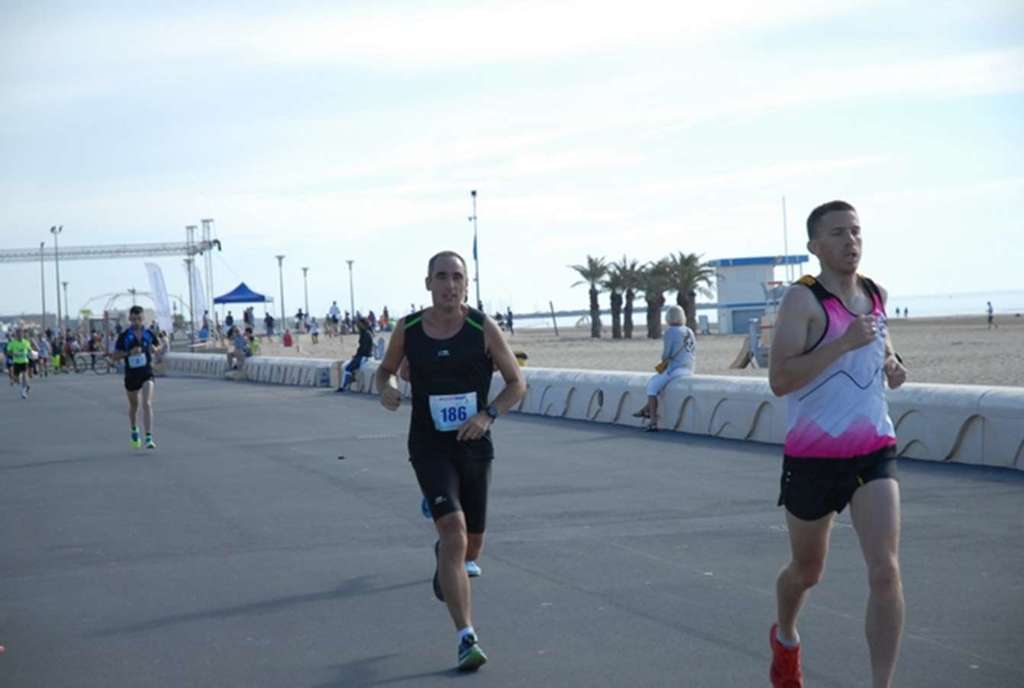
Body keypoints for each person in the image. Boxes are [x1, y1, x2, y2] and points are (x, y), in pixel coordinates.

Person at [768, 200, 907, 688]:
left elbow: (883, 350)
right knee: (807, 571)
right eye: (838, 233)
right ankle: (786, 636)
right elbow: (780, 380)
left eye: (856, 231)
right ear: (815, 246)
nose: (851, 241)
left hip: (873, 450)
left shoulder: (876, 294)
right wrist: (842, 343)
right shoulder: (801, 300)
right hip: (813, 458)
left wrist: (893, 366)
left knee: (885, 572)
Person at [376, 250, 526, 672]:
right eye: (441, 277)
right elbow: (385, 370)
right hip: (429, 445)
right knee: (455, 533)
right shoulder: (408, 328)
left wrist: (487, 415)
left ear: (467, 283)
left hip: (474, 444)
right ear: (428, 283)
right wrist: (386, 387)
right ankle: (466, 638)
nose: (450, 285)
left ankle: (447, 561)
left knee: (470, 547)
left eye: (457, 277)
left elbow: (516, 384)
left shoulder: (482, 327)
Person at [633, 305, 695, 431]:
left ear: (668, 317)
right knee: (658, 383)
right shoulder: (689, 331)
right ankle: (645, 409)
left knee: (652, 386)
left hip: (676, 369)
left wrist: (662, 367)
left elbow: (666, 355)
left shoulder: (670, 332)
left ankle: (653, 421)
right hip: (689, 368)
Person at [112, 305, 165, 450]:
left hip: (146, 372)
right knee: (134, 406)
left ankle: (149, 437)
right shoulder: (124, 336)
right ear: (130, 318)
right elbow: (115, 356)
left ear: (143, 319)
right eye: (134, 319)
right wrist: (129, 353)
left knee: (146, 403)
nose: (136, 322)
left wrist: (156, 349)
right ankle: (134, 429)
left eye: (139, 319)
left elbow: (159, 348)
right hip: (131, 374)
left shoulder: (149, 334)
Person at [338, 318, 373, 391]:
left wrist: (357, 356)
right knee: (350, 366)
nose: (357, 326)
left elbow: (364, 348)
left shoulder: (366, 334)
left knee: (347, 368)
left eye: (359, 324)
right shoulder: (366, 333)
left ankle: (342, 387)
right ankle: (350, 379)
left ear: (363, 325)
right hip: (364, 356)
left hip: (364, 357)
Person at [5, 326, 33, 399]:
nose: (20, 335)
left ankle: (24, 391)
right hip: (16, 362)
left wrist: (31, 354)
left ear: (23, 334)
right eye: (18, 334)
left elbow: (30, 350)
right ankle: (26, 385)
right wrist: (13, 354)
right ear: (16, 335)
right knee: (17, 380)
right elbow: (8, 352)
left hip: (24, 361)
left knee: (24, 375)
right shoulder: (12, 343)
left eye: (21, 334)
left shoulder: (26, 342)